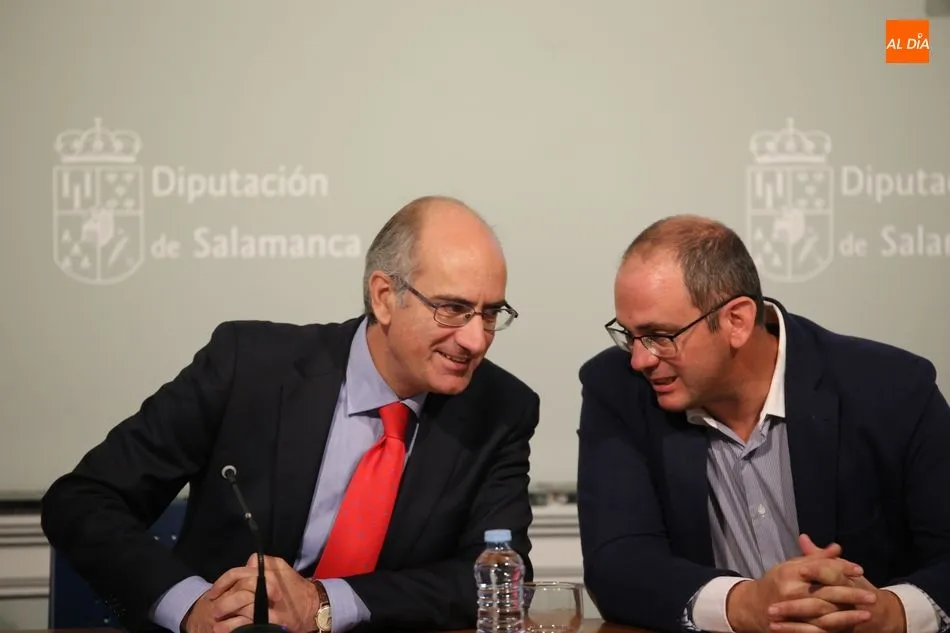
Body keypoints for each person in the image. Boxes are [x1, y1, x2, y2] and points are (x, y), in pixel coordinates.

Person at [41, 196, 539, 633]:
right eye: (452, 309)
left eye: (490, 313)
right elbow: (83, 501)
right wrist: (192, 606)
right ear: (385, 297)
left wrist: (324, 603)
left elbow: (497, 577)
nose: (476, 339)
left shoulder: (501, 410)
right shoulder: (249, 366)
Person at [576, 215, 950, 633]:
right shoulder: (618, 389)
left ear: (736, 321)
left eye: (660, 336)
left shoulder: (892, 389)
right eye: (628, 335)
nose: (639, 359)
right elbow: (617, 565)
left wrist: (890, 613)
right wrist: (744, 603)